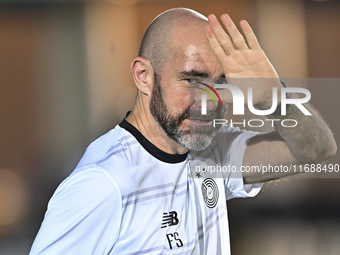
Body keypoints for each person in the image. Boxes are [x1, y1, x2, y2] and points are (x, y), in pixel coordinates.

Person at [29, 8, 336, 255]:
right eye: (191, 80)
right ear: (143, 76)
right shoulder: (103, 183)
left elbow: (317, 151)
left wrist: (277, 99)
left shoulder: (213, 151)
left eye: (220, 83)